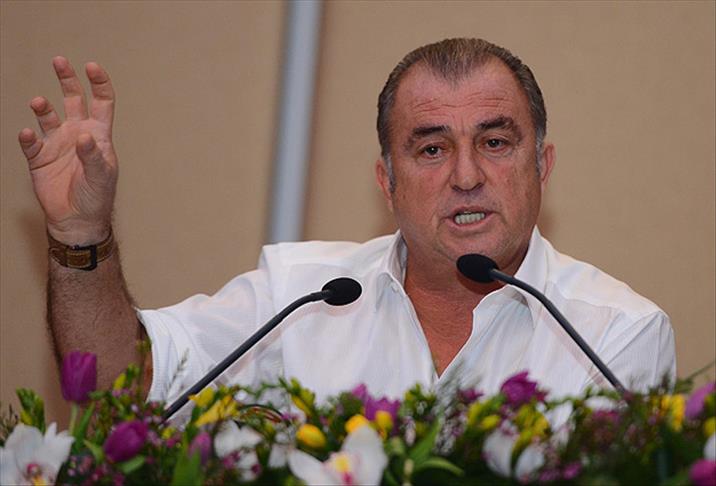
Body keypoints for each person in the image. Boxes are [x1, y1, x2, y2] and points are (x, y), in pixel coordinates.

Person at [19, 38, 675, 406]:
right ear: (387, 182)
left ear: (542, 167)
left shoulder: (615, 334)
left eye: (496, 142)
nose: (466, 175)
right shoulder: (300, 295)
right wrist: (81, 237)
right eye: (431, 149)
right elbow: (116, 386)